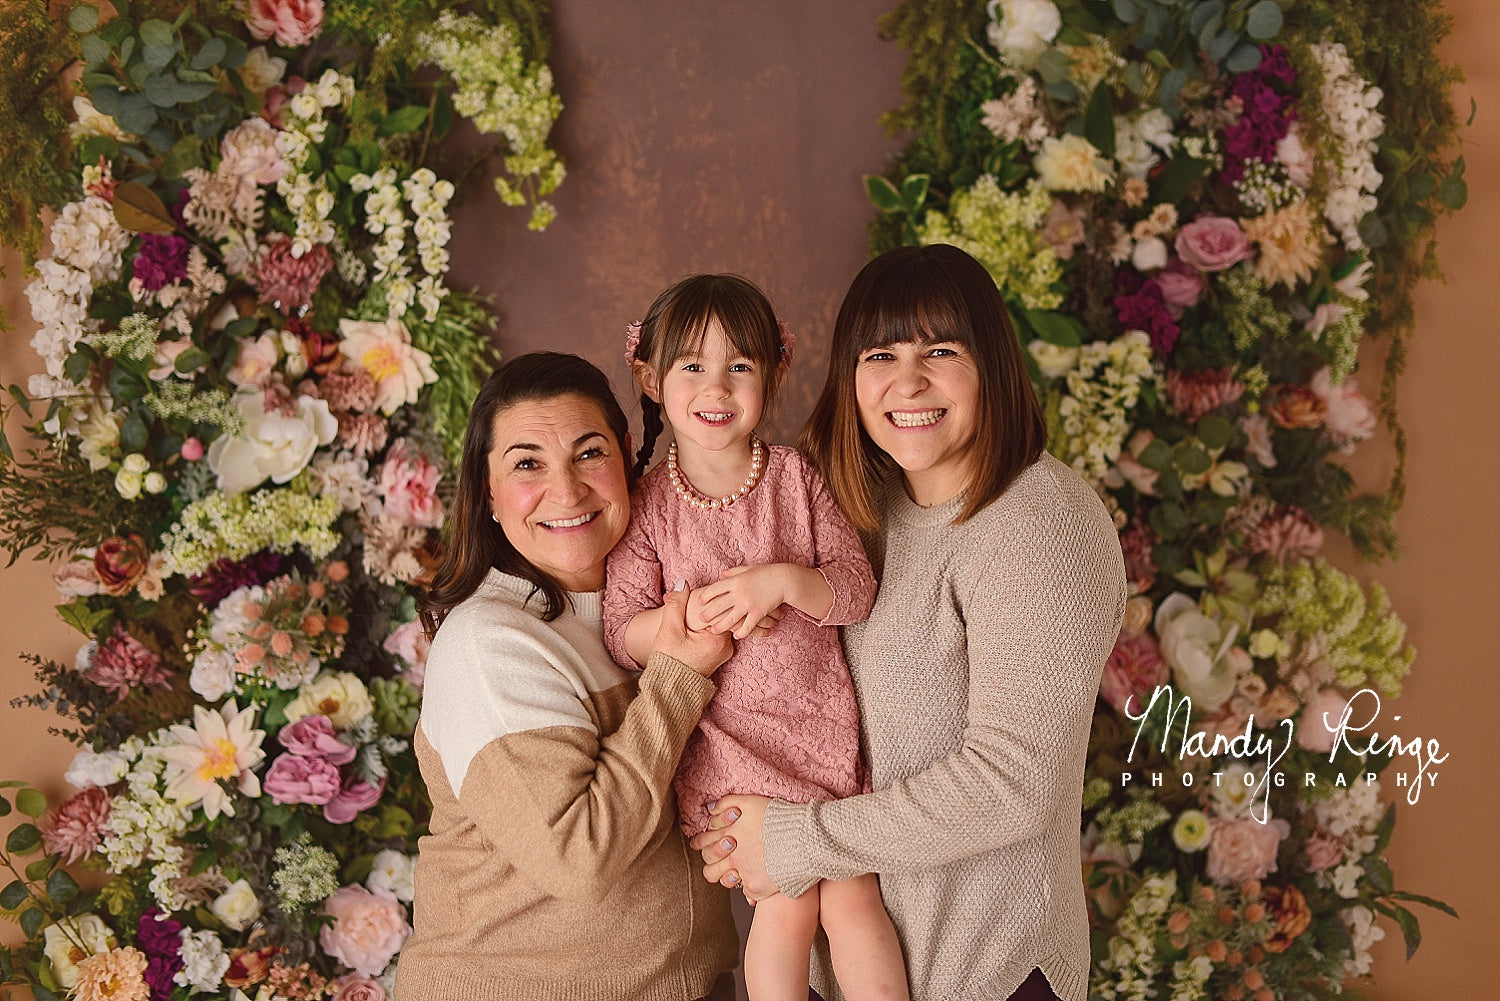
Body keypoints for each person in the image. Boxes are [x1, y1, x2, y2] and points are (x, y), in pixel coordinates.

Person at [692, 245, 1128, 1001]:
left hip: (984, 973)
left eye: (942, 351)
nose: (908, 381)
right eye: (881, 355)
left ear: (992, 364)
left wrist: (795, 840)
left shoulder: (1037, 523)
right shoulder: (863, 510)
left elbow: (1011, 784)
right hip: (847, 969)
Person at [394, 352, 740, 1001]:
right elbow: (579, 857)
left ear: (625, 456)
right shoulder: (489, 642)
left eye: (589, 453)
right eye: (527, 464)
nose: (568, 489)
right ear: (488, 493)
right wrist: (676, 678)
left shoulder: (655, 606)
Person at [605, 275, 909, 1001]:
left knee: (854, 895)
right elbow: (621, 631)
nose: (717, 387)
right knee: (786, 902)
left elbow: (855, 589)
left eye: (739, 365)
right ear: (649, 378)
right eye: (692, 366)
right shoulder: (650, 507)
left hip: (816, 730)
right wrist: (679, 623)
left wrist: (783, 581)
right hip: (726, 749)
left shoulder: (797, 479)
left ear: (774, 373)